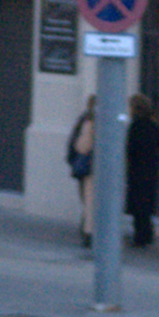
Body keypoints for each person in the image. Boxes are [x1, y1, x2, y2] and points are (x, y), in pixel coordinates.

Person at [124, 91, 159, 247]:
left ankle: (140, 236)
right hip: (150, 169)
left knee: (138, 206)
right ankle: (147, 233)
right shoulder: (153, 125)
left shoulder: (136, 126)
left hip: (137, 170)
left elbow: (130, 148)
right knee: (146, 205)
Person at [67, 97, 97, 246]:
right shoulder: (113, 120)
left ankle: (89, 234)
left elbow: (82, 147)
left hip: (92, 170)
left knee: (90, 203)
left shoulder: (88, 122)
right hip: (110, 172)